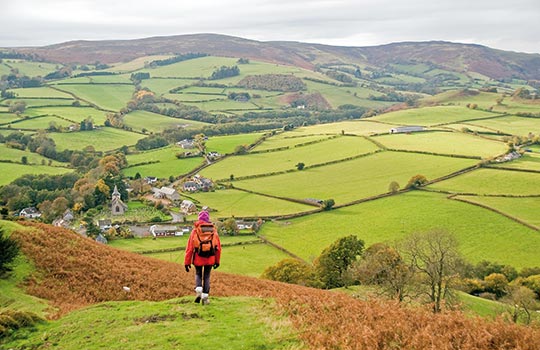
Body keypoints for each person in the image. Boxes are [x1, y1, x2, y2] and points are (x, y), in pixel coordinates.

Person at [184, 210, 221, 305]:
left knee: (198, 274)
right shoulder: (214, 231)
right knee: (207, 276)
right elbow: (218, 248)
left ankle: (198, 289)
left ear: (199, 219)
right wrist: (217, 261)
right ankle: (205, 297)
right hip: (210, 258)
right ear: (207, 219)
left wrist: (187, 262)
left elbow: (190, 248)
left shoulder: (195, 231)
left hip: (198, 258)